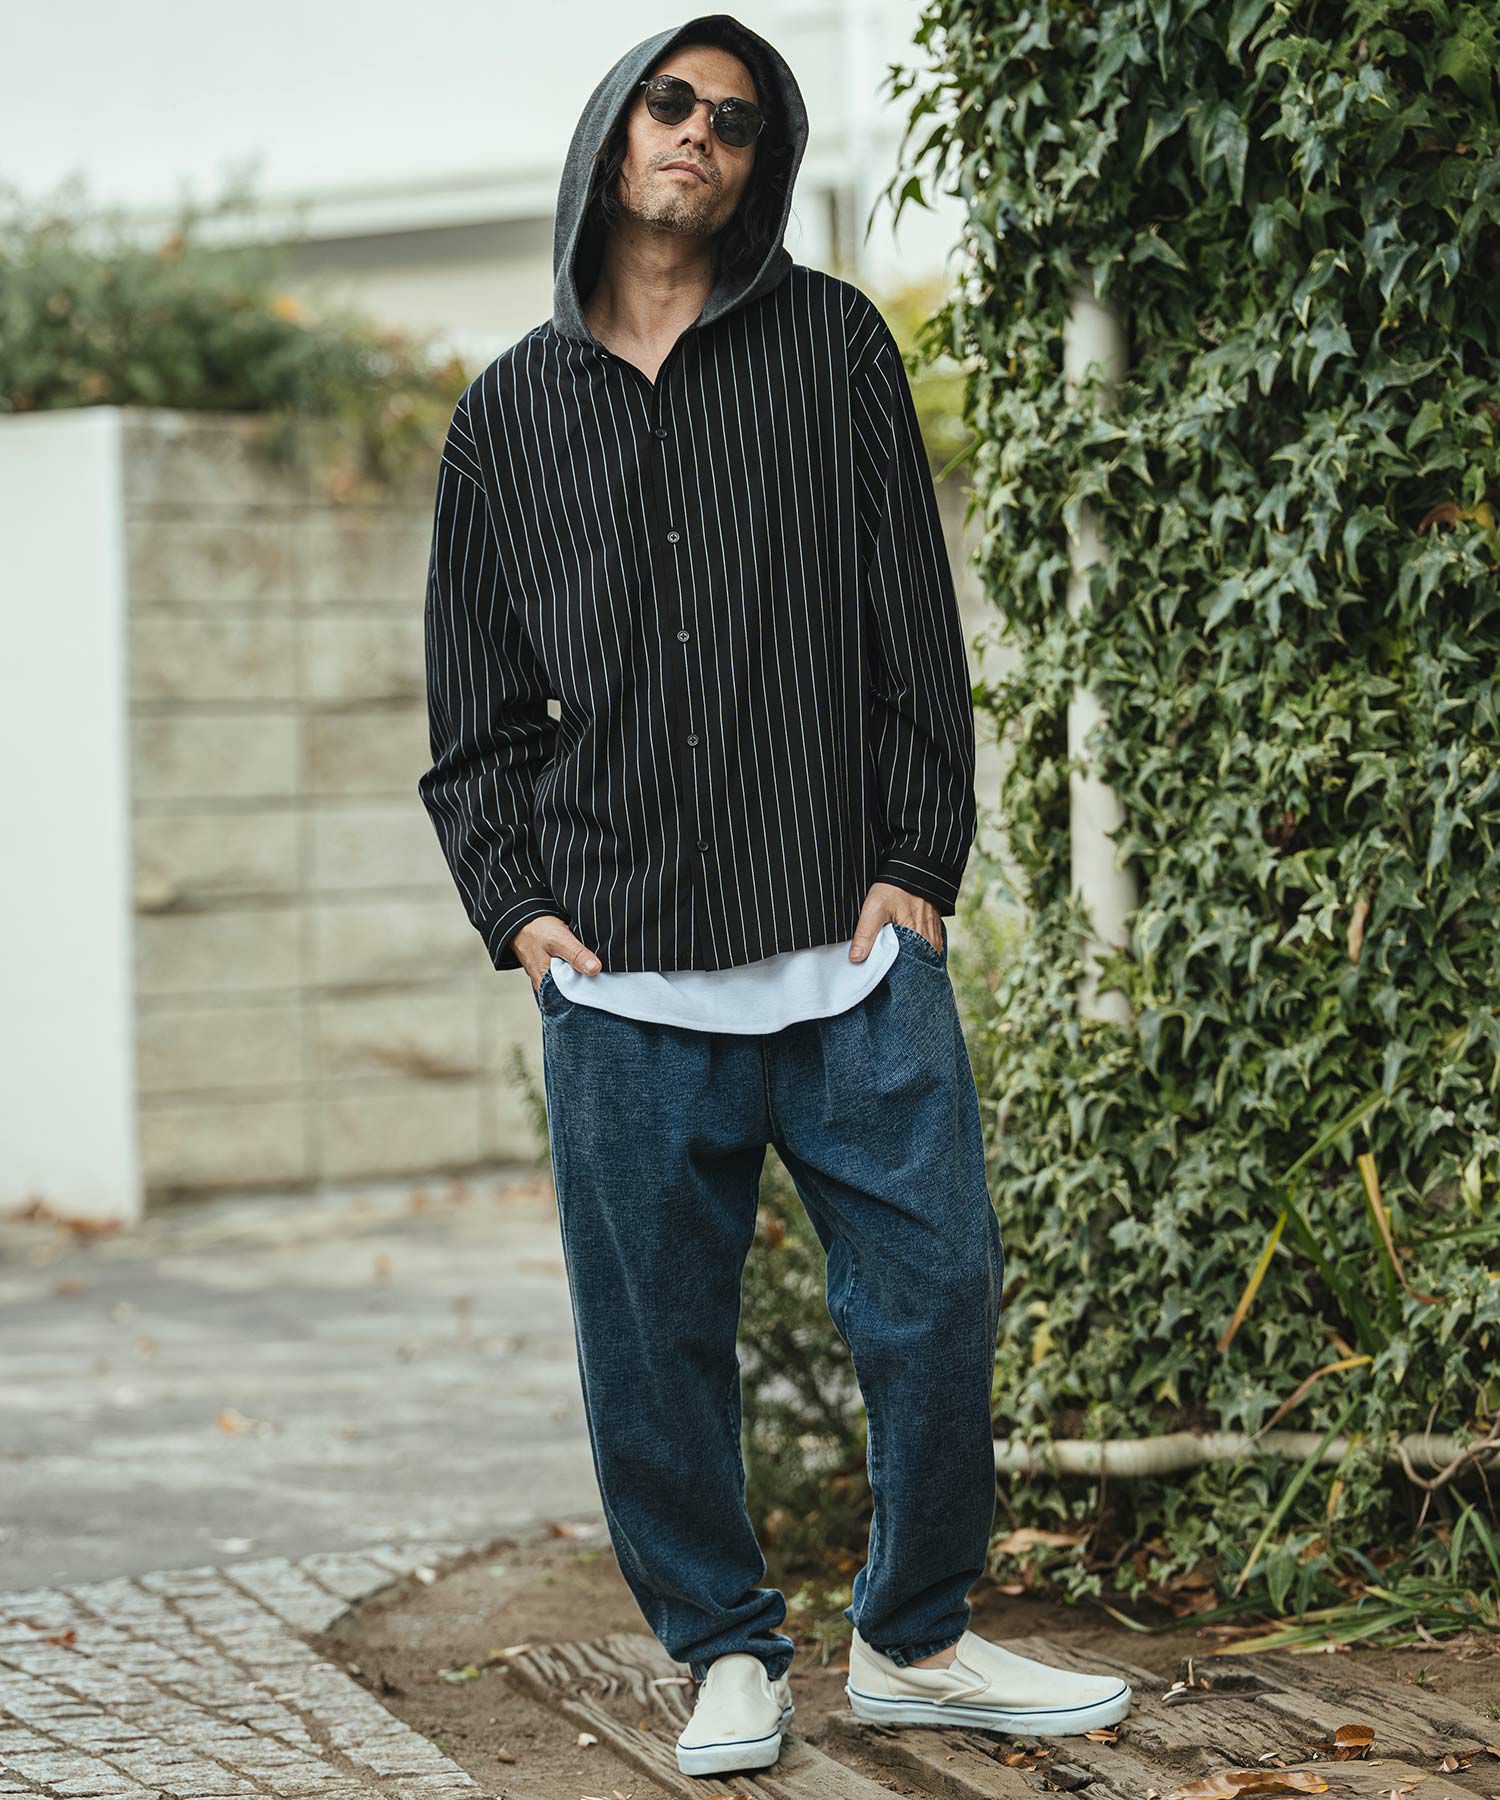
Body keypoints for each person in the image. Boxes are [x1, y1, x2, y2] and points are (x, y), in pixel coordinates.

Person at [418, 10, 1132, 1775]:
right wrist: (521, 911)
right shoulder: (504, 417)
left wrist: (916, 864)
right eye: (672, 103)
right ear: (613, 132)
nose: (700, 135)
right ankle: (724, 1651)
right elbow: (474, 716)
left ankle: (917, 1637)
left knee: (938, 1299)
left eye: (736, 120)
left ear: (761, 162)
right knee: (651, 1349)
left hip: (850, 950)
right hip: (624, 973)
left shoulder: (833, 348)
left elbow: (912, 629)